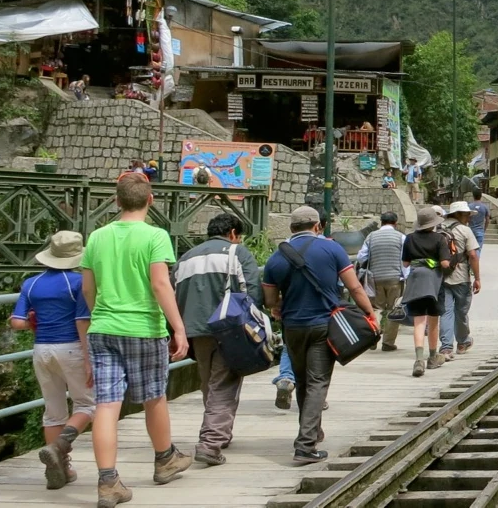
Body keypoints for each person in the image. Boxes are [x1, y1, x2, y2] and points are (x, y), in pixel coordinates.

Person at [80, 172, 193, 508]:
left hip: (103, 328)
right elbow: (161, 284)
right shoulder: (155, 236)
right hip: (143, 329)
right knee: (154, 397)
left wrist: (101, 314)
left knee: (106, 405)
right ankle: (164, 459)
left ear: (117, 201)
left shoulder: (97, 237)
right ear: (150, 200)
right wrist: (179, 328)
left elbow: (88, 287)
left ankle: (108, 482)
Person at [261, 206, 376, 465]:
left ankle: (313, 432)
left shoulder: (276, 258)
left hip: (292, 327)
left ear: (292, 229)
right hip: (323, 324)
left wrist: (280, 304)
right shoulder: (332, 249)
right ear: (317, 226)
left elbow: (270, 300)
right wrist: (370, 313)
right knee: (317, 383)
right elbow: (354, 286)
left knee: (302, 381)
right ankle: (305, 445)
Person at [172, 213, 260, 467]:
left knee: (209, 381)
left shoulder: (186, 258)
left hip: (195, 330)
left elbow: (173, 293)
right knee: (225, 382)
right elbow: (251, 291)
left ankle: (220, 432)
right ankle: (210, 442)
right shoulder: (236, 253)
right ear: (233, 233)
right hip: (228, 329)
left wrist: (175, 332)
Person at [10, 230, 93, 491]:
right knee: (88, 405)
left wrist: (35, 321)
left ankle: (60, 469)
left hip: (41, 350)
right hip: (71, 348)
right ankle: (59, 446)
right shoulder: (79, 283)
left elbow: (17, 322)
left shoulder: (31, 284)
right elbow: (82, 321)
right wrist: (88, 357)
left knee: (53, 411)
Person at [401, 207, 451, 377]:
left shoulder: (409, 238)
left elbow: (406, 263)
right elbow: (445, 264)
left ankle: (418, 360)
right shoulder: (439, 239)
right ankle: (432, 357)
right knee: (433, 320)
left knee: (419, 321)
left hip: (415, 281)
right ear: (434, 224)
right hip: (434, 283)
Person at [438, 202, 482, 360]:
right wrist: (477, 278)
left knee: (445, 312)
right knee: (461, 312)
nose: (468, 218)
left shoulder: (438, 228)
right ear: (458, 214)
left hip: (441, 276)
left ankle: (446, 347)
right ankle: (462, 343)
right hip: (461, 276)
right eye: (466, 214)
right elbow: (473, 256)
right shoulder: (465, 230)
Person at [357, 212, 407, 351]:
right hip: (395, 278)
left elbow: (362, 257)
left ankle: (373, 339)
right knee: (393, 309)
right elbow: (405, 259)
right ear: (395, 222)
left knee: (376, 309)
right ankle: (388, 343)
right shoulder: (401, 237)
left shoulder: (371, 236)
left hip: (375, 279)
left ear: (381, 222)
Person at [467, 190, 492, 257]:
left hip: (470, 230)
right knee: (478, 249)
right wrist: (484, 229)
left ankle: (470, 263)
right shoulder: (485, 207)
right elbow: (487, 220)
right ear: (481, 196)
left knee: (469, 249)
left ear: (473, 196)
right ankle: (476, 263)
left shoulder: (469, 206)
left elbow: (467, 218)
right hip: (480, 231)